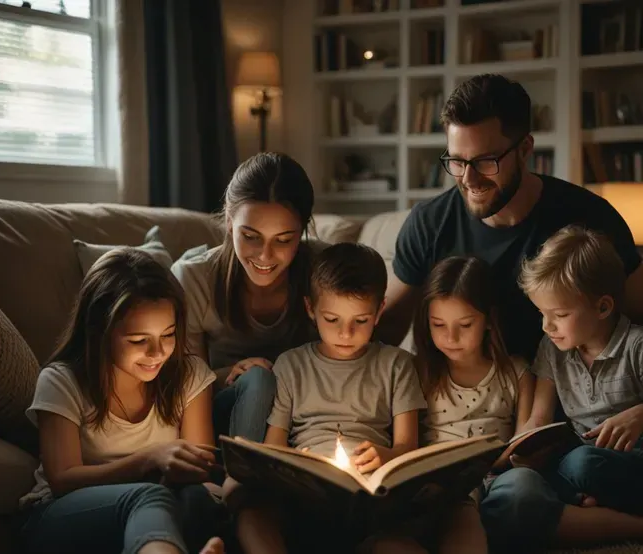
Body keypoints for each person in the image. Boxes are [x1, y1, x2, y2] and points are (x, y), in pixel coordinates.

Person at [378, 73, 643, 364]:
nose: (468, 179)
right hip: (455, 399)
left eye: (484, 161)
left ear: (525, 150)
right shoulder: (428, 223)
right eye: (457, 161)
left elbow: (636, 319)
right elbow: (385, 326)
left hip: (562, 400)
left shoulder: (591, 218)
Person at [19, 248, 225, 554]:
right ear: (100, 331)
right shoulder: (62, 380)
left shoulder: (188, 374)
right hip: (60, 516)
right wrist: (148, 459)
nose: (157, 352)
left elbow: (197, 470)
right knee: (148, 497)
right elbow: (62, 479)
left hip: (156, 508)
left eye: (167, 335)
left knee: (197, 498)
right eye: (139, 341)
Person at [228, 242, 429, 554]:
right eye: (332, 319)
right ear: (310, 309)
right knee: (252, 516)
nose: (345, 333)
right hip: (303, 498)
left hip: (370, 497)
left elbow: (408, 448)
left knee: (400, 545)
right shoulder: (291, 365)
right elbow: (274, 447)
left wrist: (384, 455)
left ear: (379, 311)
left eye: (360, 321)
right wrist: (293, 468)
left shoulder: (396, 365)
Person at [480, 226, 643, 553]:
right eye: (542, 314)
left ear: (603, 307)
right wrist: (507, 457)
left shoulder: (636, 346)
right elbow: (537, 420)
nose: (546, 326)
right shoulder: (553, 350)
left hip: (624, 465)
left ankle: (578, 512)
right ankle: (585, 510)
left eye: (559, 315)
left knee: (582, 465)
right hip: (569, 463)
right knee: (512, 491)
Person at [172, 152, 321, 443]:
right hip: (221, 412)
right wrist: (232, 372)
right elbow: (183, 384)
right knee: (259, 380)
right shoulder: (193, 278)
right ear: (229, 221)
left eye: (284, 240)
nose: (265, 256)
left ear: (302, 230)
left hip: (303, 411)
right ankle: (242, 478)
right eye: (251, 236)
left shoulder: (323, 270)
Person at [416, 256, 535, 554]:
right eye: (438, 325)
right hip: (439, 479)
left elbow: (524, 442)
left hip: (498, 476)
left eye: (465, 324)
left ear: (488, 321)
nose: (450, 337)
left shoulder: (515, 372)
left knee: (525, 487)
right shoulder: (419, 371)